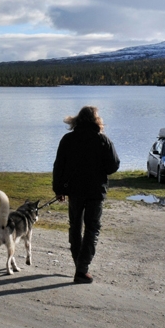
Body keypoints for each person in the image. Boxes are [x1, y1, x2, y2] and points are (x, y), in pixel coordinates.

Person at [52, 106, 120, 284]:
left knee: (75, 226)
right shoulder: (103, 140)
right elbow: (113, 165)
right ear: (96, 120)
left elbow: (59, 165)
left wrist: (59, 189)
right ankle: (82, 269)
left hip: (75, 191)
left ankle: (79, 266)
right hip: (95, 191)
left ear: (77, 120)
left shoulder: (68, 139)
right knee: (92, 229)